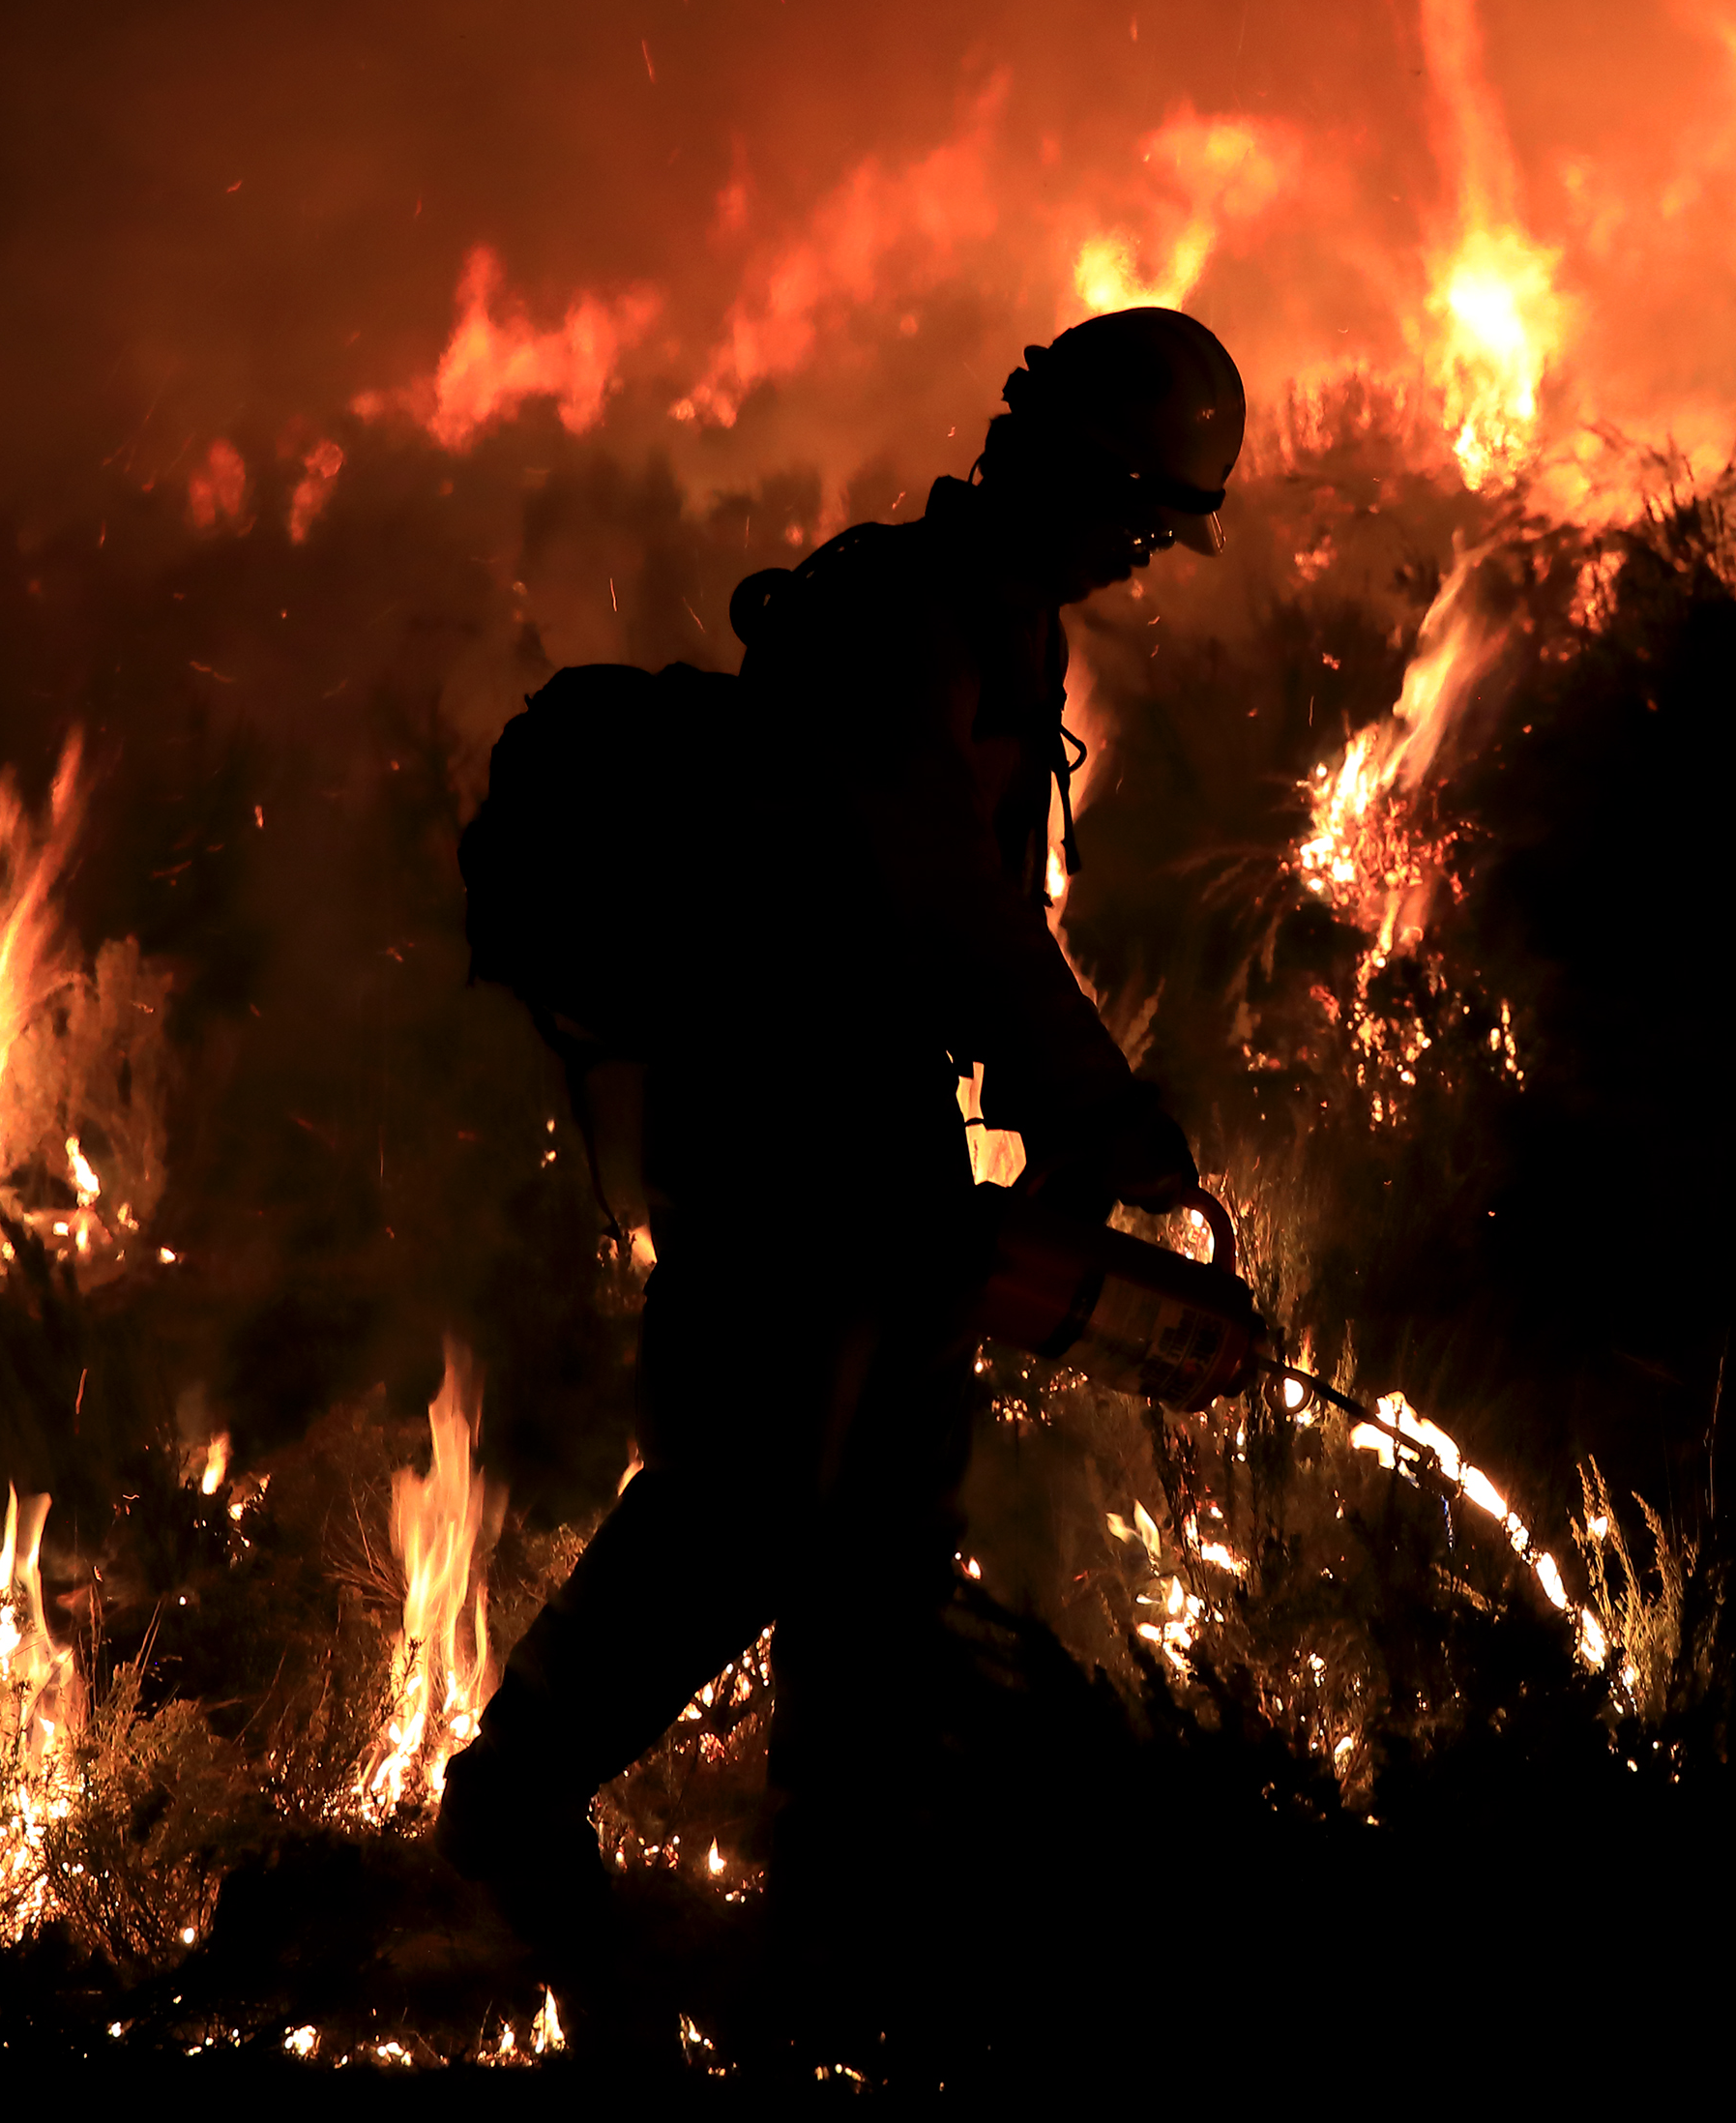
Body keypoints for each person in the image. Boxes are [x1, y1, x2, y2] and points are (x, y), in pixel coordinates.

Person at [435, 307, 1249, 2005]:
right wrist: (1097, 1105)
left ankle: (838, 1930)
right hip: (775, 1118)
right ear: (1071, 468)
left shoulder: (1005, 626)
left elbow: (973, 923)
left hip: (879, 1122)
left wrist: (1040, 1134)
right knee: (747, 1503)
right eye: (1142, 516)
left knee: (886, 1533)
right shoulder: (902, 617)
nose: (1142, 556)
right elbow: (937, 897)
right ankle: (511, 1806)